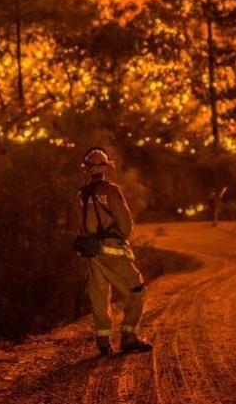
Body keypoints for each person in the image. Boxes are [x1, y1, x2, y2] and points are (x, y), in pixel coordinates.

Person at [77, 147, 153, 356]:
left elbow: (82, 225)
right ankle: (129, 337)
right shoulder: (111, 190)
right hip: (113, 251)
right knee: (136, 288)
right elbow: (126, 224)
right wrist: (123, 239)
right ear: (105, 168)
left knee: (100, 297)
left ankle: (103, 343)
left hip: (91, 253)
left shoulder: (82, 195)